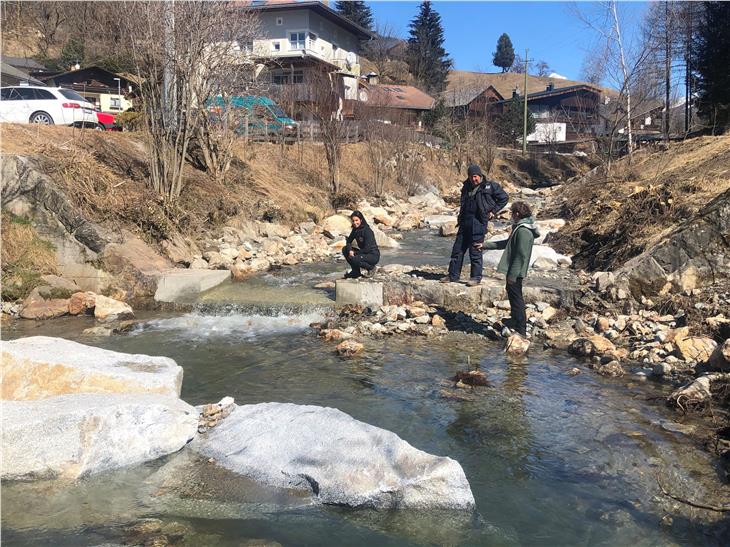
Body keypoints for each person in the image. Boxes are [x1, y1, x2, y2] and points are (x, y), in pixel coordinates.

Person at [441, 164, 508, 286]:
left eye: (476, 176)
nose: (474, 179)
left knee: (475, 251)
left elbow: (504, 198)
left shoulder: (490, 186)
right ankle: (453, 276)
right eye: (471, 177)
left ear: (480, 175)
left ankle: (475, 278)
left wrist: (493, 211)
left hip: (478, 223)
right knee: (457, 250)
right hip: (464, 222)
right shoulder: (466, 187)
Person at [484, 201, 540, 338]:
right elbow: (507, 244)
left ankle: (521, 329)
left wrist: (512, 275)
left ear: (517, 214)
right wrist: (485, 245)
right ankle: (515, 320)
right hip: (515, 269)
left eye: (512, 213)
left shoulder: (523, 231)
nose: (511, 216)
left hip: (516, 270)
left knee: (516, 298)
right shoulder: (521, 227)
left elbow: (521, 255)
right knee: (513, 293)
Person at [342, 211, 380, 279]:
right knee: (345, 249)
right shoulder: (355, 230)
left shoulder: (367, 231)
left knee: (354, 258)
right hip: (363, 253)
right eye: (353, 221)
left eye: (357, 220)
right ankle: (355, 271)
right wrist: (350, 250)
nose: (355, 223)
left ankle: (371, 268)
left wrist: (355, 253)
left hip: (373, 255)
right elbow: (349, 241)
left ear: (361, 220)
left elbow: (367, 249)